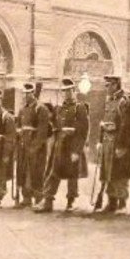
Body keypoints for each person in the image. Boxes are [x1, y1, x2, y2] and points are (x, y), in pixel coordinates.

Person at [34, 78, 89, 212]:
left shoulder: (79, 107)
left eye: (69, 91)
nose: (66, 94)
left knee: (72, 175)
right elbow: (54, 124)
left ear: (74, 91)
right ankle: (48, 201)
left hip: (72, 146)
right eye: (64, 91)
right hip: (60, 146)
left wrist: (77, 150)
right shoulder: (59, 108)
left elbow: (83, 130)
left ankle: (71, 202)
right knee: (54, 172)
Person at [96, 75, 130, 213]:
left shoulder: (125, 103)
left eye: (108, 85)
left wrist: (122, 146)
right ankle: (111, 203)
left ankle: (122, 204)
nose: (106, 88)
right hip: (108, 143)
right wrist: (100, 141)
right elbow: (105, 121)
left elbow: (127, 127)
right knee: (109, 173)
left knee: (120, 174)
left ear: (115, 85)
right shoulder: (109, 101)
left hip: (120, 143)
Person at [15, 81, 53, 209]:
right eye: (24, 93)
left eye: (28, 93)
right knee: (24, 171)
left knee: (37, 171)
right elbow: (18, 125)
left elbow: (43, 131)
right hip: (24, 145)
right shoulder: (22, 109)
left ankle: (38, 198)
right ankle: (26, 198)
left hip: (37, 147)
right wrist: (19, 131)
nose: (26, 96)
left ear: (33, 93)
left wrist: (35, 147)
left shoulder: (41, 109)